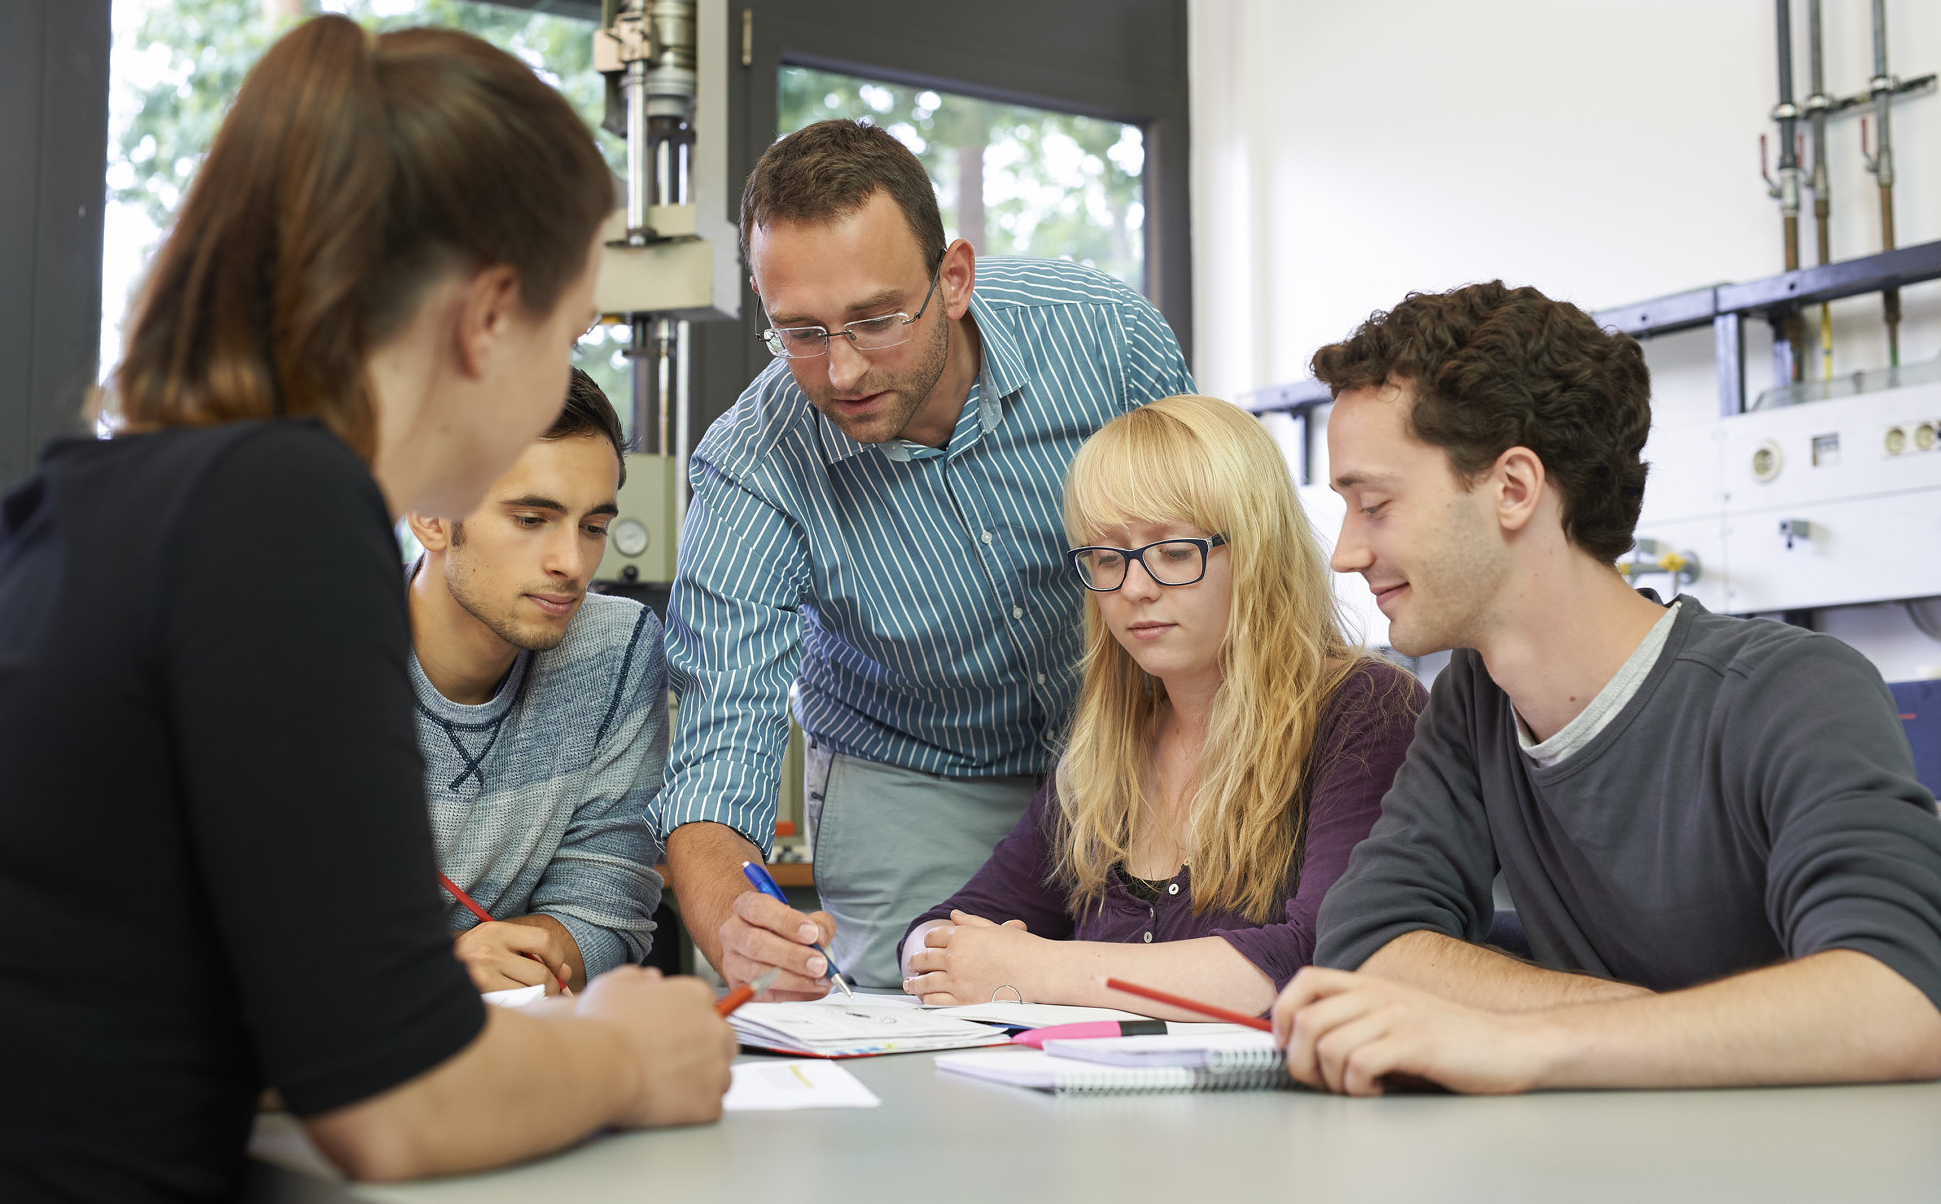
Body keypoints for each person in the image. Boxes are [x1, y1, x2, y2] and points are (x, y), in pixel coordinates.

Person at [0, 16, 732, 1200]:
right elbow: (396, 1101)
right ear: (486, 319)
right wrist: (627, 1053)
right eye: (568, 335)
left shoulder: (110, 489)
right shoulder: (284, 509)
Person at [1274, 280, 1941, 1096]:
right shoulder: (1474, 702)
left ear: (1515, 489)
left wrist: (1529, 1039)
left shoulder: (1794, 692)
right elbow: (1367, 940)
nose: (1344, 552)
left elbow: (1900, 997)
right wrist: (1642, 1027)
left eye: (1374, 504)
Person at [657, 118, 1196, 995]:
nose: (841, 372)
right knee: (920, 1036)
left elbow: (1223, 555)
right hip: (916, 768)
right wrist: (734, 924)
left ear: (953, 279)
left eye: (874, 321)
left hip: (1134, 744)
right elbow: (719, 739)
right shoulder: (753, 463)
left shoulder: (1108, 340)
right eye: (800, 332)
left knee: (1159, 1007)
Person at [897, 396, 1422, 1013]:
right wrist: (951, 954)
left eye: (1174, 552)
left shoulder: (1365, 709)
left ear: (1259, 552)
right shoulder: (1110, 748)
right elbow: (937, 929)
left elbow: (1319, 958)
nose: (1134, 588)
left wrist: (1034, 969)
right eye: (1106, 557)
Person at [403, 367, 666, 997]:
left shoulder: (617, 647)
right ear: (432, 516)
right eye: (530, 519)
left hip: (513, 1044)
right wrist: (436, 978)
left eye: (593, 527)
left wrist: (553, 944)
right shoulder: (316, 661)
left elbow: (609, 901)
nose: (571, 564)